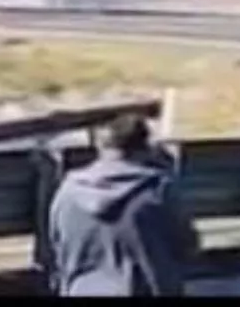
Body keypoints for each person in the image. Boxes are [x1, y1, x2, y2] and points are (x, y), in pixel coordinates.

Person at [47, 114, 198, 296]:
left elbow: (57, 247)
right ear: (145, 147)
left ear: (99, 146)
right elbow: (187, 246)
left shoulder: (68, 191)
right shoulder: (158, 190)